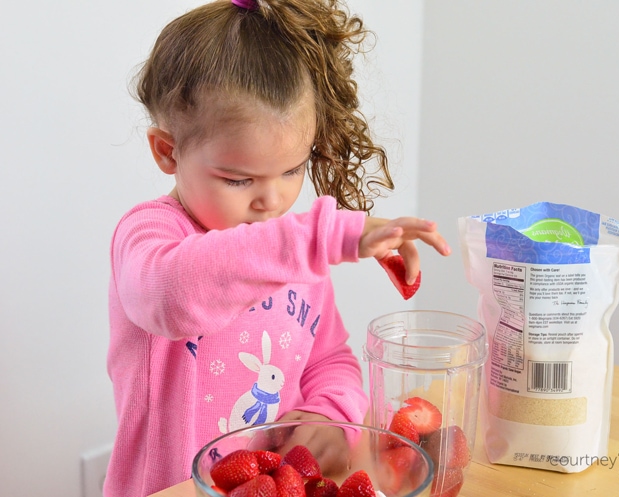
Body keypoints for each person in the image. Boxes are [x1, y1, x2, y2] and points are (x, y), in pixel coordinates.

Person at [105, 1, 450, 496]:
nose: (272, 201)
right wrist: (325, 235)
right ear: (168, 150)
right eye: (239, 178)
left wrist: (330, 416)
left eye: (291, 170)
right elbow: (173, 296)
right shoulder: (149, 237)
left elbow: (329, 359)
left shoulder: (294, 252)